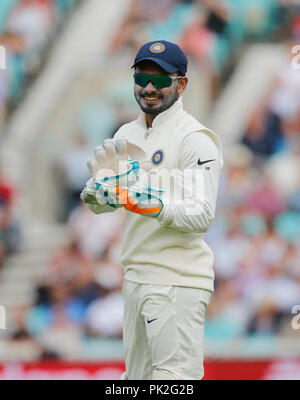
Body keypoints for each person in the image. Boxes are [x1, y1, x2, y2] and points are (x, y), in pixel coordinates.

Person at [81, 40, 223, 380]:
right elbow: (111, 198)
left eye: (160, 81)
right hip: (135, 279)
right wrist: (100, 197)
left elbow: (201, 214)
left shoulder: (195, 139)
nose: (149, 87)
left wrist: (144, 199)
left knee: (174, 381)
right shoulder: (126, 134)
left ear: (182, 83)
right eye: (142, 77)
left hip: (177, 279)